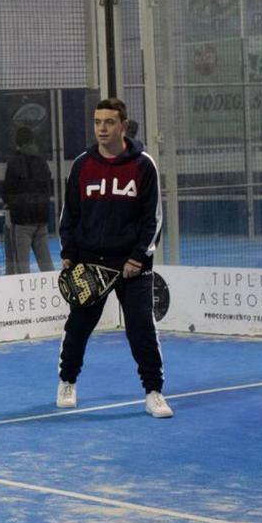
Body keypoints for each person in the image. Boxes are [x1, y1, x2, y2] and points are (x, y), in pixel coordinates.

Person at [57, 98, 172, 418]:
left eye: (109, 122)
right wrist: (69, 254)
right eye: (97, 122)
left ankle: (153, 392)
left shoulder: (143, 165)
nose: (102, 128)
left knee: (141, 330)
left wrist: (138, 258)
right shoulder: (82, 164)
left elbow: (154, 218)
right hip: (90, 263)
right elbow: (70, 215)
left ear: (123, 125)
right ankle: (67, 382)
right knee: (78, 326)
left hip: (133, 267)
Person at [3, 127, 54, 274]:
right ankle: (52, 292)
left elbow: (7, 193)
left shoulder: (13, 163)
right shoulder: (42, 162)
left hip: (22, 220)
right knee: (46, 265)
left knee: (22, 267)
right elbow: (47, 188)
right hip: (41, 218)